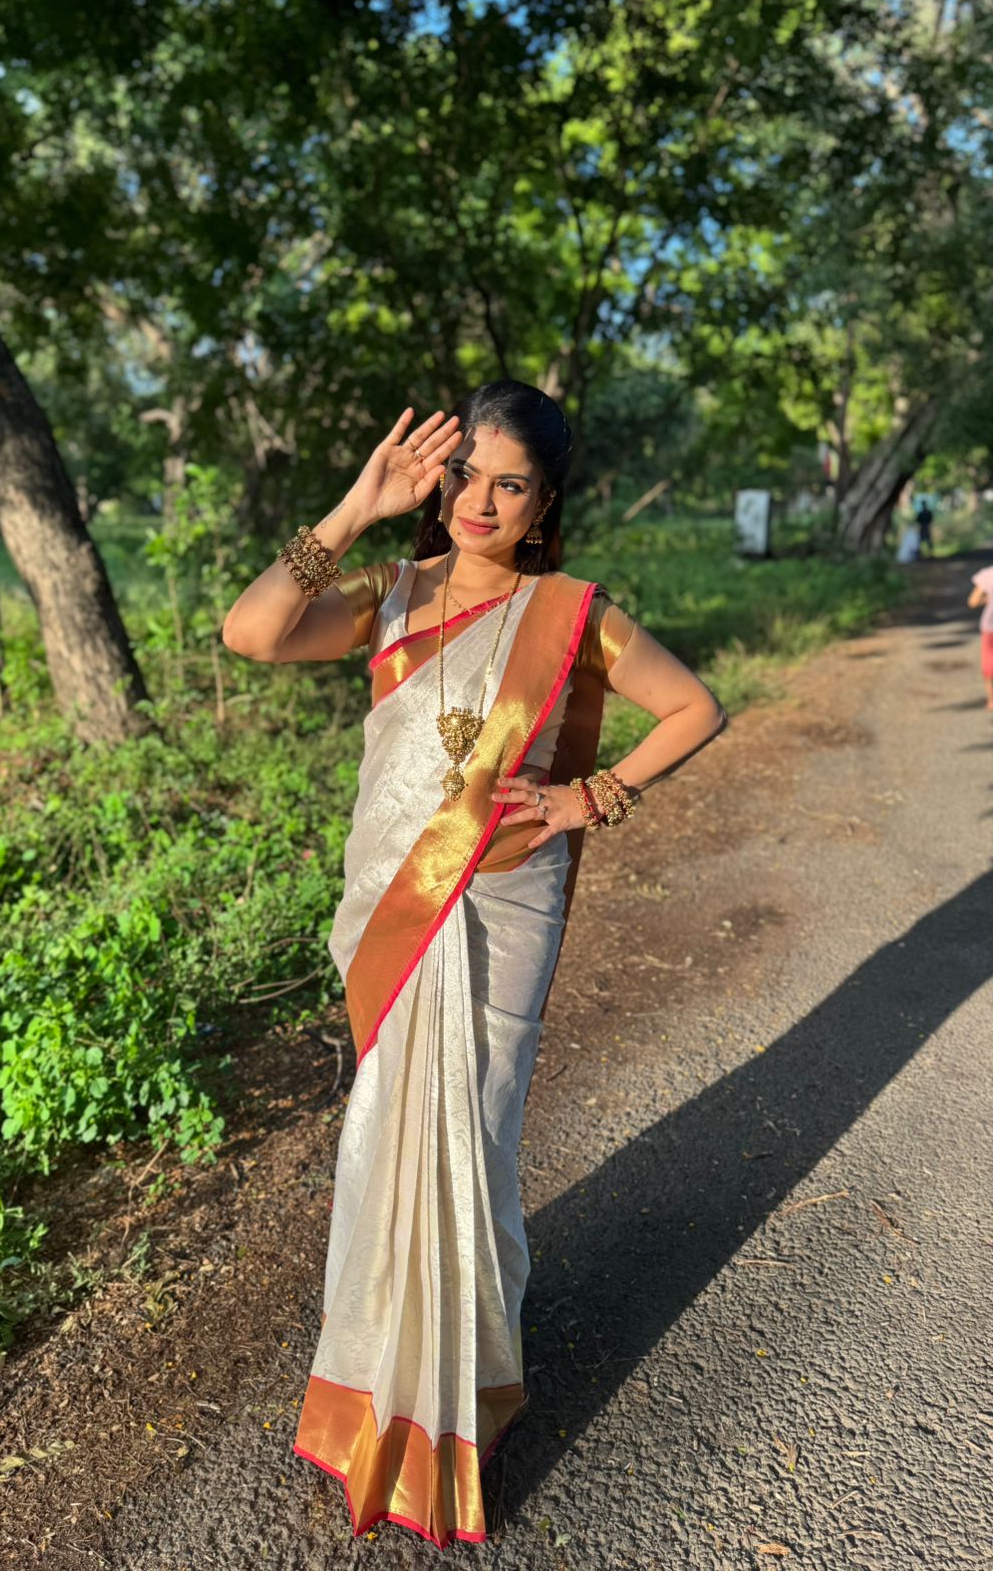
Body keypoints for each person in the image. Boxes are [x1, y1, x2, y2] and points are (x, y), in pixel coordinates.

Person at [222, 380, 726, 1548]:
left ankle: (467, 1391)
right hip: (392, 915)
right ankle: (373, 1391)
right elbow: (252, 632)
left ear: (545, 504)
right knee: (385, 1138)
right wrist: (355, 506)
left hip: (502, 905)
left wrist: (591, 796)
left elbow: (694, 707)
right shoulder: (386, 593)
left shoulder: (573, 613)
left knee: (475, 1143)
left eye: (511, 485)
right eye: (467, 476)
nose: (481, 502)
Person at [968, 562, 993, 711]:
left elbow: (972, 602)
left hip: (989, 627)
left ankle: (991, 700)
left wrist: (987, 600)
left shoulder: (988, 575)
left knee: (989, 662)